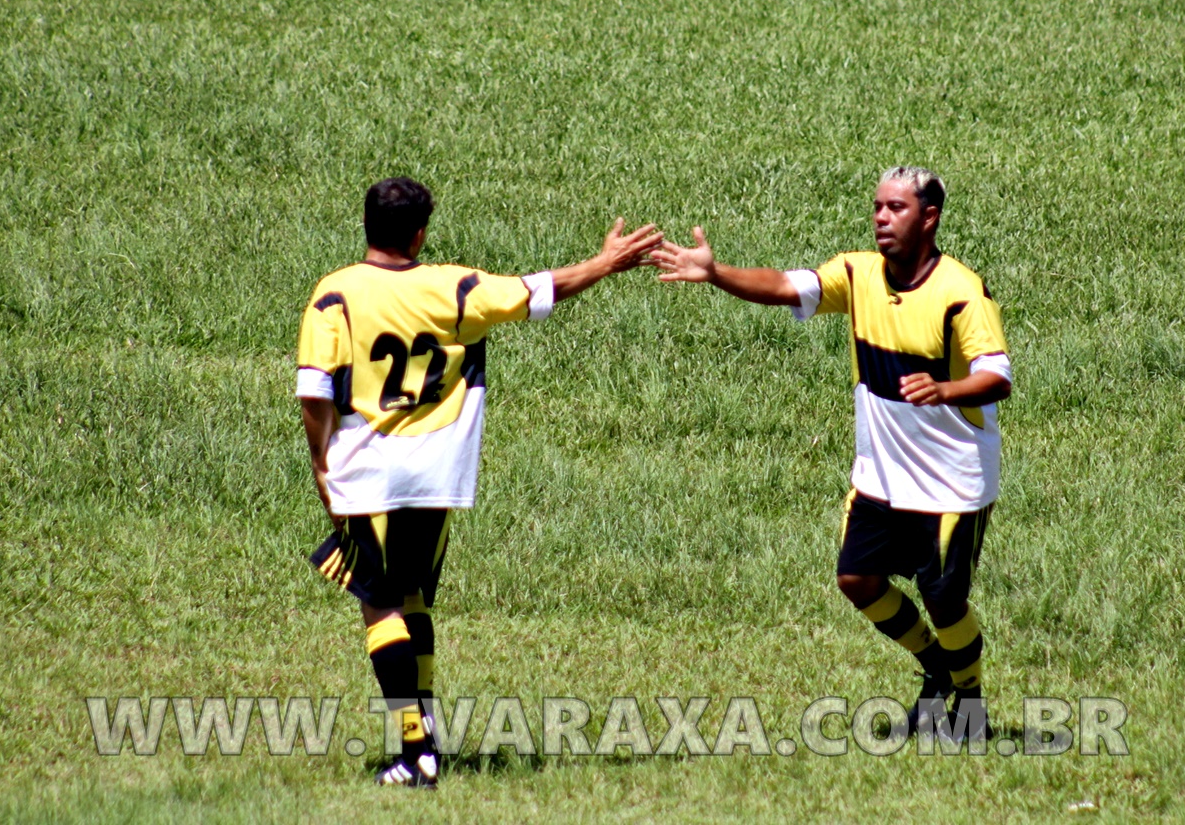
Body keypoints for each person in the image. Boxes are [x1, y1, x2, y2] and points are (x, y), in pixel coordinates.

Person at [297, 178, 660, 786]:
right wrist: (604, 263)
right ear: (419, 234)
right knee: (412, 596)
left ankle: (415, 755)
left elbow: (314, 391)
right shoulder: (455, 286)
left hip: (368, 470)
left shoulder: (335, 295)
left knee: (380, 603)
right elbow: (540, 291)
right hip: (439, 472)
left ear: (365, 225)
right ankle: (428, 731)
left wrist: (321, 465)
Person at [652, 166, 1011, 738]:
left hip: (953, 479)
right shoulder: (858, 273)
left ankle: (970, 705)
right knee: (857, 580)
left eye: (896, 208)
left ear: (930, 218)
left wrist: (945, 389)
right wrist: (716, 273)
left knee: (945, 601)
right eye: (877, 207)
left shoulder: (962, 292)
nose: (881, 217)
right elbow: (786, 286)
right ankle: (936, 666)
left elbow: (998, 377)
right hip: (883, 476)